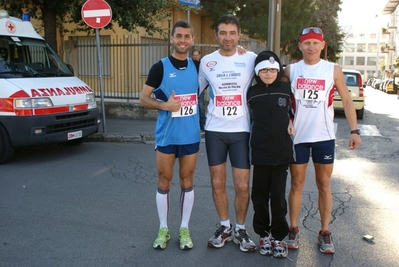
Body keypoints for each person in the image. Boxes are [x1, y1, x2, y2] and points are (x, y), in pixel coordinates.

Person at [282, 27, 361, 254]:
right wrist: (287, 118)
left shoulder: (332, 69)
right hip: (297, 137)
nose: (311, 47)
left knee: (324, 185)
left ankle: (325, 231)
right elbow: (281, 97)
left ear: (322, 45)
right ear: (300, 45)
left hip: (324, 137)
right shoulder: (291, 69)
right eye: (306, 43)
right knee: (296, 184)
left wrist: (354, 130)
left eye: (315, 43)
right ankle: (293, 228)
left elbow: (346, 100)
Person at [139, 20, 200, 251]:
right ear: (172, 39)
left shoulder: (198, 65)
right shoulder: (160, 67)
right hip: (166, 136)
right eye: (179, 36)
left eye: (187, 36)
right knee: (164, 181)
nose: (183, 40)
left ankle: (184, 228)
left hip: (191, 136)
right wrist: (165, 106)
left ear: (192, 40)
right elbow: (143, 98)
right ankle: (163, 228)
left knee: (187, 181)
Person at [198, 14, 257, 252]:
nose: (228, 37)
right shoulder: (206, 61)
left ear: (239, 35)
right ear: (216, 35)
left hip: (241, 131)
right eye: (223, 32)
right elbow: (194, 91)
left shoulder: (251, 58)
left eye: (232, 33)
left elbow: (275, 72)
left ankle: (241, 229)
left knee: (242, 186)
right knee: (218, 182)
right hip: (215, 131)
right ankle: (225, 227)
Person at [247, 51, 295, 258]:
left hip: (282, 153)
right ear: (258, 72)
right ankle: (263, 234)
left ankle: (278, 237)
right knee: (259, 195)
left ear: (278, 71)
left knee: (277, 197)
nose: (268, 74)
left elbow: (295, 109)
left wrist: (292, 120)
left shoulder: (285, 89)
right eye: (264, 70)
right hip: (260, 152)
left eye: (273, 70)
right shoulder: (252, 92)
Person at [191, 49, 206, 130]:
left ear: (200, 56)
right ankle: (194, 125)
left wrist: (204, 86)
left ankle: (202, 124)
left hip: (200, 88)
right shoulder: (189, 64)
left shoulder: (203, 64)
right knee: (192, 106)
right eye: (194, 55)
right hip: (191, 89)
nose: (196, 57)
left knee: (201, 106)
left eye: (197, 55)